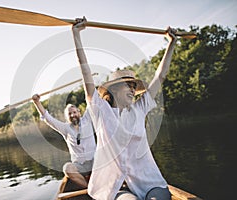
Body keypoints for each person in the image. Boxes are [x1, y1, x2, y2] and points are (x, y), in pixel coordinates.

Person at [72, 17, 177, 200]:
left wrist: (171, 44)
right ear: (114, 90)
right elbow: (85, 72)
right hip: (115, 187)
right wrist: (76, 35)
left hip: (147, 181)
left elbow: (160, 77)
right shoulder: (101, 110)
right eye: (128, 86)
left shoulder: (139, 108)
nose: (133, 90)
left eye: (134, 87)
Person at [32, 94, 96, 188]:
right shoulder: (65, 128)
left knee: (107, 156)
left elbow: (91, 101)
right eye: (69, 114)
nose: (73, 115)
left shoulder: (87, 119)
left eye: (74, 112)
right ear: (66, 117)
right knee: (67, 168)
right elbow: (48, 118)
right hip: (80, 166)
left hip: (95, 162)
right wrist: (36, 102)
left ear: (79, 113)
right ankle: (89, 189)